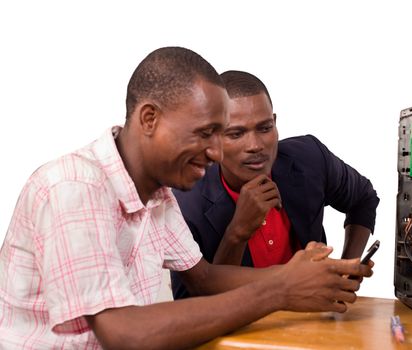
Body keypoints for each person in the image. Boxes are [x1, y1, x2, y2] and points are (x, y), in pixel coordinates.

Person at [0, 47, 373, 350]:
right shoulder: (74, 186)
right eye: (207, 133)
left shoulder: (159, 194)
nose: (215, 153)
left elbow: (205, 278)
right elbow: (123, 334)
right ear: (149, 119)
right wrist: (280, 289)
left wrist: (304, 275)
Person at [171, 70, 380, 299]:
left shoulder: (309, 158)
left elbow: (363, 197)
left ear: (275, 123)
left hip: (314, 321)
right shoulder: (185, 203)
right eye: (236, 133)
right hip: (240, 329)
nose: (255, 145)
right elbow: (193, 307)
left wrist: (345, 269)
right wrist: (237, 232)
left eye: (264, 128)